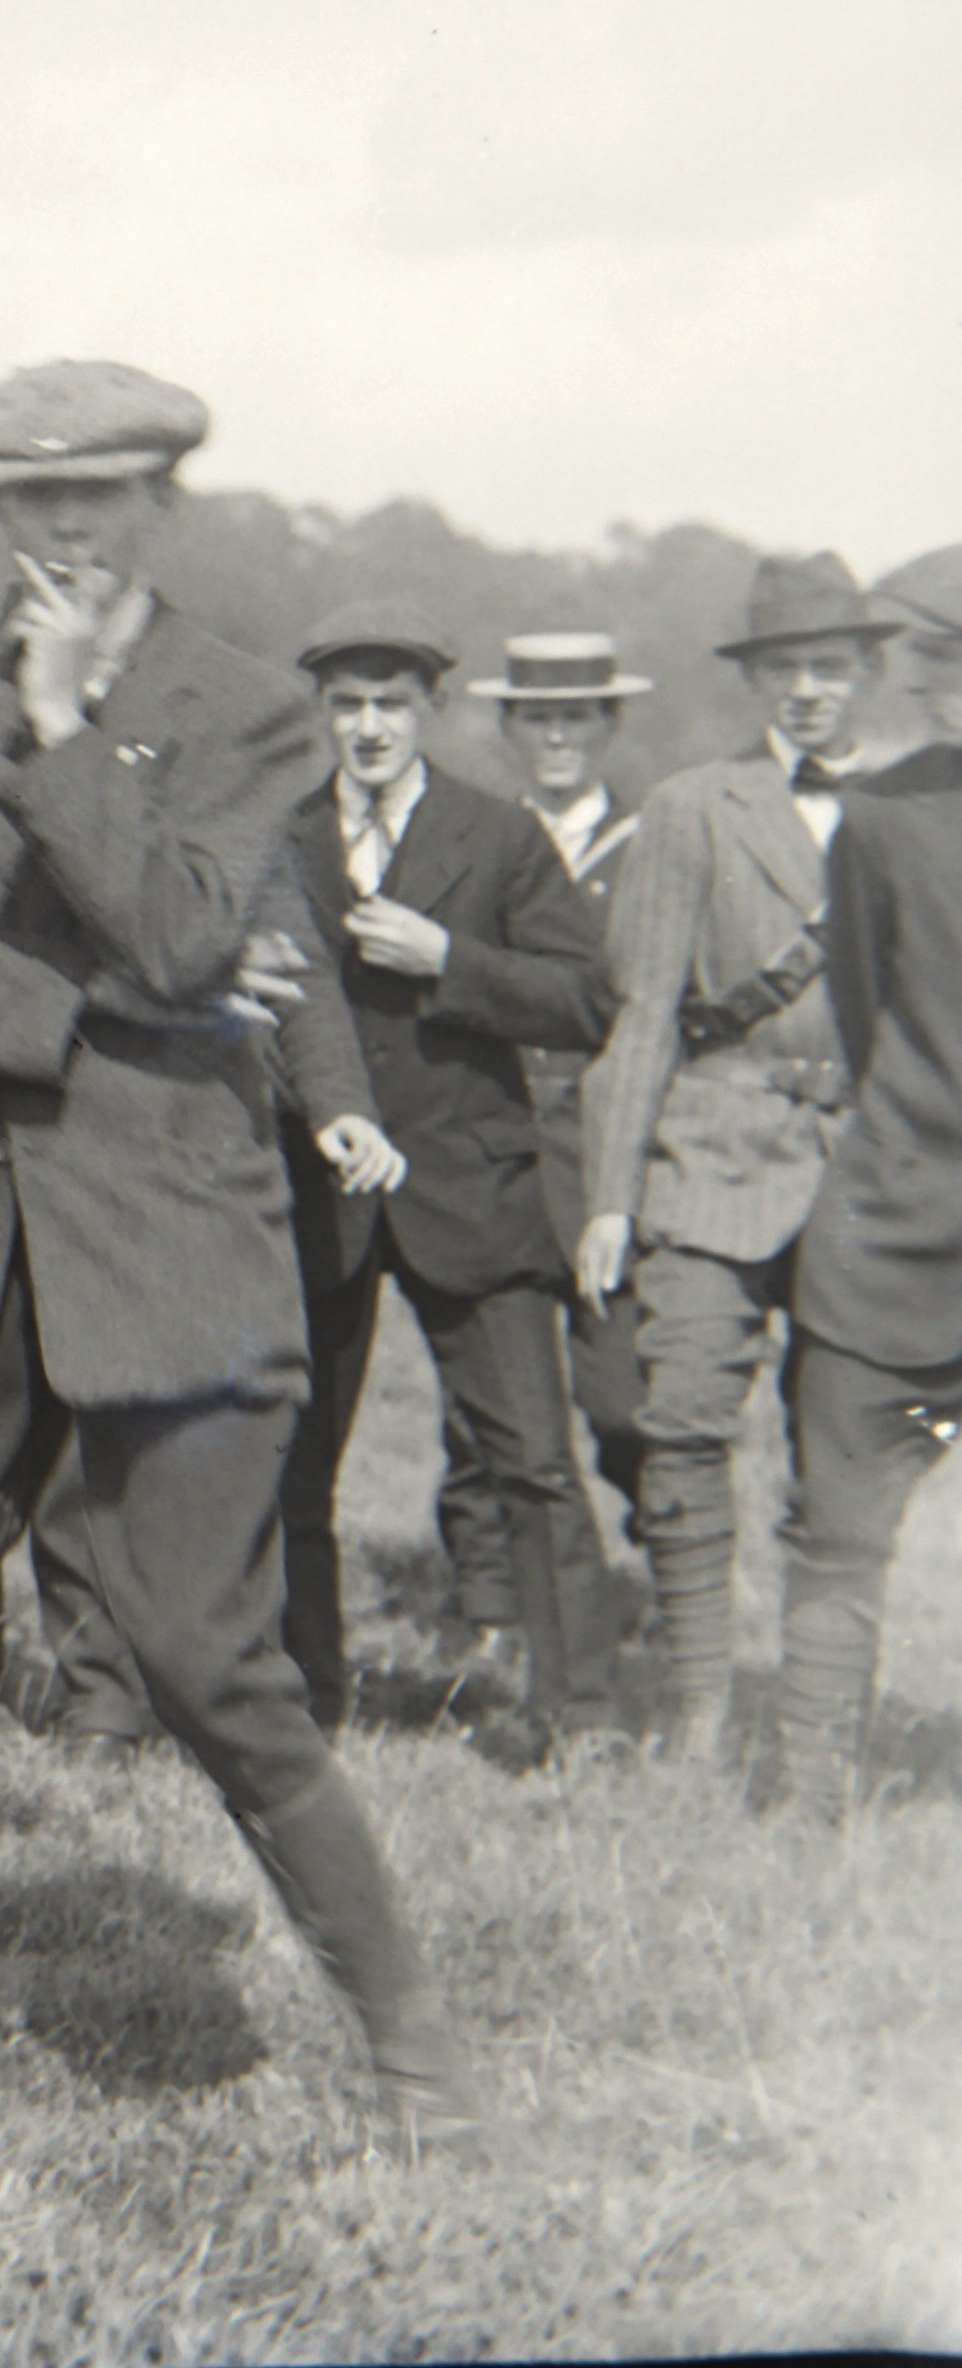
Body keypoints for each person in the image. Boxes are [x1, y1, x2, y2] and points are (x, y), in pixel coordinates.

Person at [0, 361, 473, 2148]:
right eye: (27, 508)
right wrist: (93, 1004)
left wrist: (57, 732)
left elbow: (192, 926)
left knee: (206, 1665)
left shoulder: (246, 709)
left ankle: (413, 2053)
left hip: (166, 1257)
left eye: (93, 501)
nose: (59, 535)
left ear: (158, 504)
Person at [270, 601, 620, 1768]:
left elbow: (584, 997)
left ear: (425, 713)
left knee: (529, 1455)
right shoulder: (279, 839)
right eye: (346, 704)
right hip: (320, 1198)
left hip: (474, 1193)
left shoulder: (498, 834)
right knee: (295, 1456)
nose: (367, 727)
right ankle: (305, 1699)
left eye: (389, 704)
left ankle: (581, 1714)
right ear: (322, 713)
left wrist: (451, 962)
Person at [575, 551, 897, 1766]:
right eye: (783, 670)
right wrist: (610, 1196)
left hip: (870, 1176)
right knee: (680, 1427)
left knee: (848, 1457)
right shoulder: (690, 808)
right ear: (755, 681)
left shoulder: (920, 808)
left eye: (827, 667)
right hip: (709, 1151)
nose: (806, 691)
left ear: (865, 672)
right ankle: (695, 1709)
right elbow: (642, 1012)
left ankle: (819, 1743)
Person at [770, 547, 962, 1819]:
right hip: (890, 1224)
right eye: (929, 659)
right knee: (836, 1533)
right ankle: (805, 1803)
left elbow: (865, 1000)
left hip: (892, 1209)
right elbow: (861, 1008)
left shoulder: (882, 815)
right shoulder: (879, 814)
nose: (933, 682)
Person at [457, 630, 657, 1653]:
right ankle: (494, 1609)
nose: (556, 737)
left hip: (602, 1156)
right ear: (505, 727)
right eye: (537, 717)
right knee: (484, 1407)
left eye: (576, 717)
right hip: (491, 1146)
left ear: (607, 724)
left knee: (622, 1397)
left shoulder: (651, 841)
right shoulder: (474, 838)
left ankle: (661, 1564)